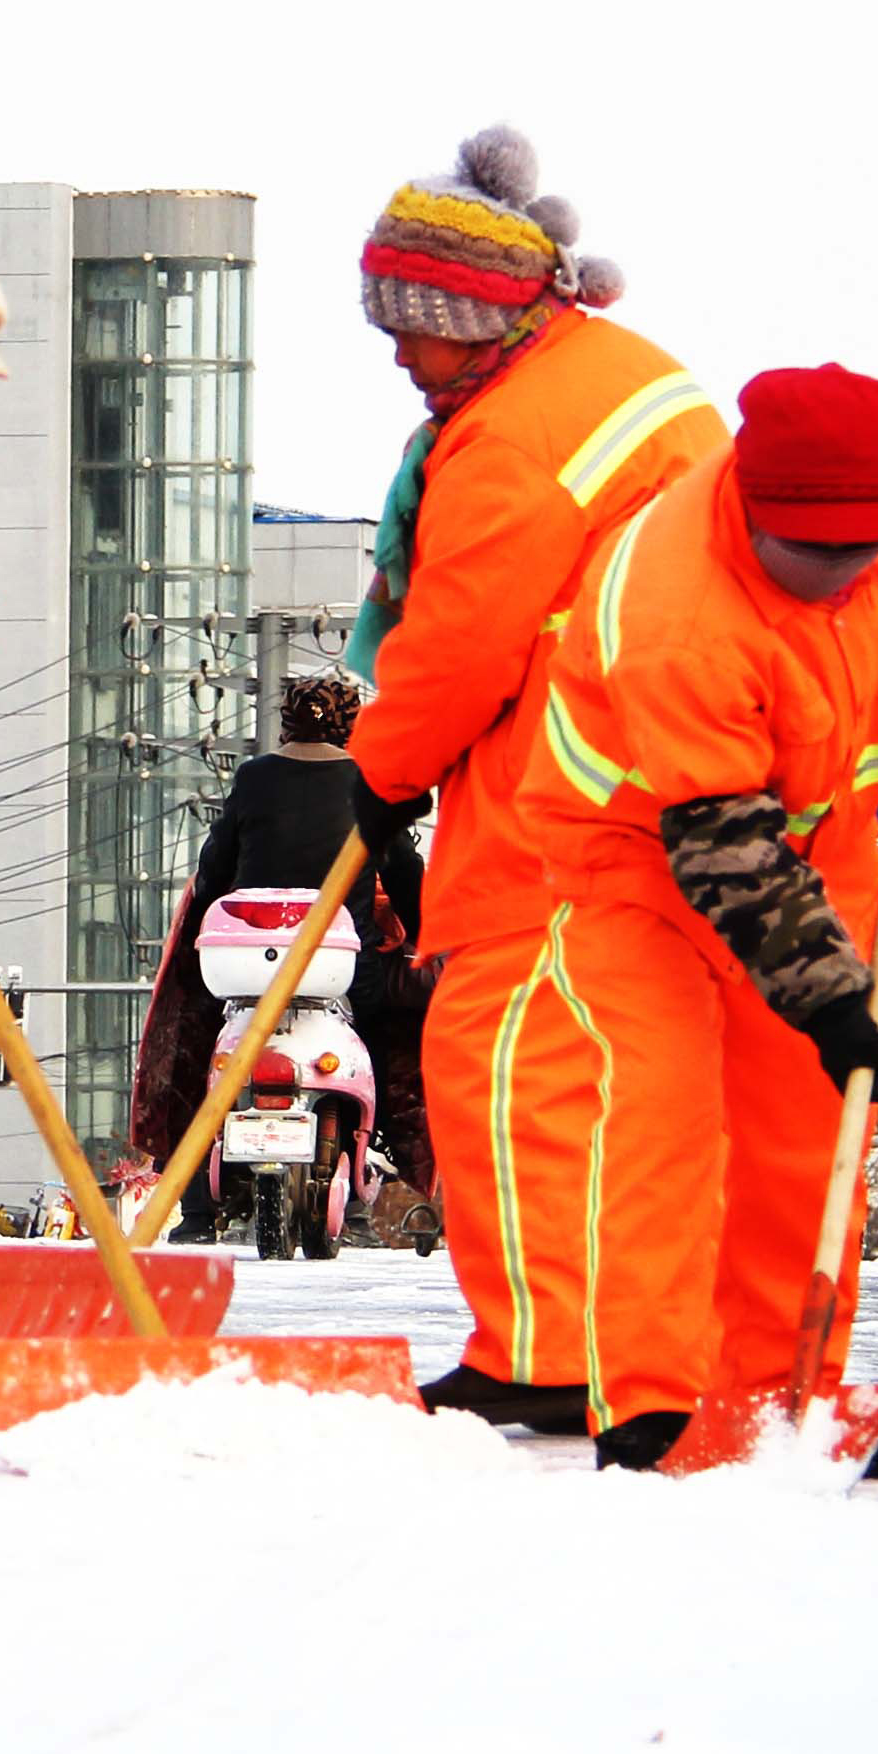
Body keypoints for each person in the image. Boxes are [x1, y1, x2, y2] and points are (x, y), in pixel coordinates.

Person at [519, 363, 878, 1470]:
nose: (834, 578)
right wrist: (829, 1003)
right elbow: (725, 850)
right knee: (666, 1113)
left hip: (818, 839)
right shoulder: (683, 618)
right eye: (806, 556)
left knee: (807, 1128)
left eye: (855, 555)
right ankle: (654, 1401)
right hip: (634, 855)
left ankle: (784, 1402)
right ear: (751, 503)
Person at [340, 126, 725, 1438]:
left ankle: (544, 1354)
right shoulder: (626, 375)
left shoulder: (510, 439)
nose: (397, 353)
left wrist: (374, 777)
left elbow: (457, 642)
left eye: (409, 329)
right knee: (601, 1083)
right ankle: (572, 1346)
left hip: (564, 796)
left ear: (469, 315)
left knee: (501, 1061)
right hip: (661, 777)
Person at [132, 670, 432, 1239]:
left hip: (245, 964)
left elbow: (214, 869)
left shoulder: (253, 778)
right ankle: (380, 1162)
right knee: (396, 1033)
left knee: (202, 1055)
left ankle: (197, 1210)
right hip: (342, 966)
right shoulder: (372, 782)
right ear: (353, 725)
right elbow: (406, 872)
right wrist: (422, 933)